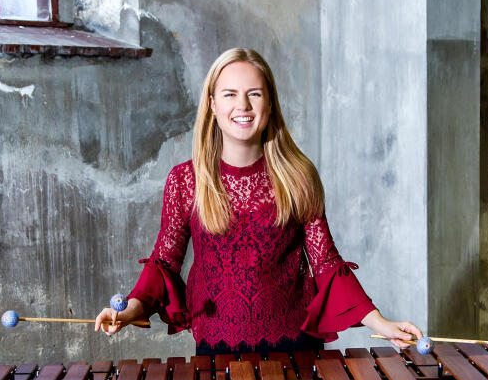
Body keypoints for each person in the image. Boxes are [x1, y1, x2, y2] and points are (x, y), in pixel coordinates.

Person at [95, 48, 422, 354]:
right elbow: (164, 263)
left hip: (296, 348)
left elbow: (325, 263)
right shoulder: (184, 181)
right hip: (216, 348)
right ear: (212, 104)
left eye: (254, 94)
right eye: (230, 94)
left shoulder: (298, 176)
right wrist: (130, 310)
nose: (243, 105)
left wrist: (382, 323)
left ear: (270, 104)